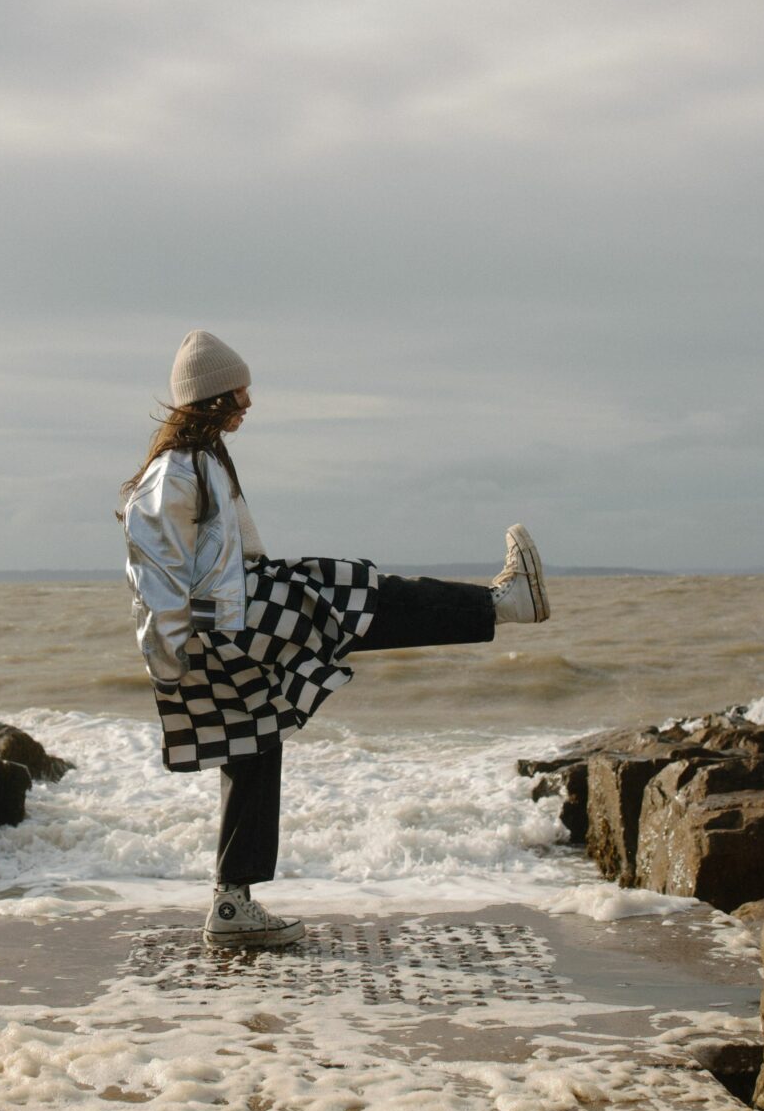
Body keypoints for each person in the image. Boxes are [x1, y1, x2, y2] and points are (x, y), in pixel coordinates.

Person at [119, 329, 550, 950]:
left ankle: (232, 905)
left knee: (255, 745)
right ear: (212, 396)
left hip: (229, 619)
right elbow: (155, 572)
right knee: (360, 597)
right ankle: (503, 604)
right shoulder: (175, 471)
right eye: (239, 391)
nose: (248, 402)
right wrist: (169, 661)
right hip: (230, 621)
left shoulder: (203, 459)